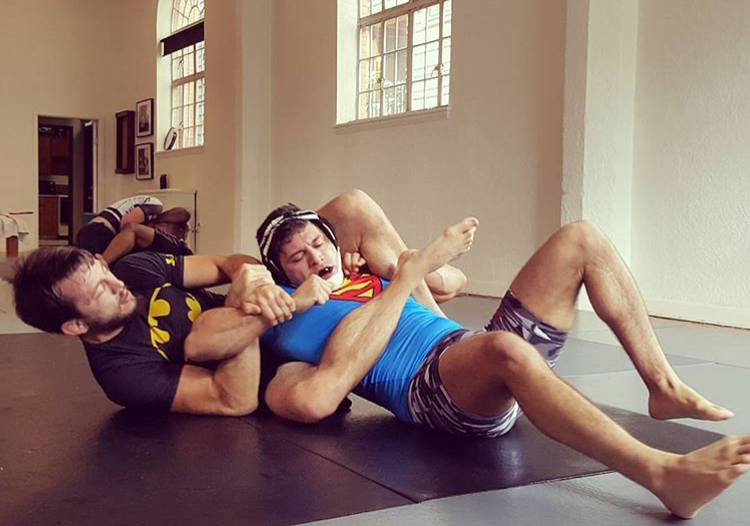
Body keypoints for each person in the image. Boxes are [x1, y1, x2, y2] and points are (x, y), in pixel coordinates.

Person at [212, 202, 744, 520]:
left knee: (581, 238)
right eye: (297, 256)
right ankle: (661, 474)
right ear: (282, 273)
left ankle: (662, 385)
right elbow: (311, 396)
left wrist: (408, 271)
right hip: (432, 389)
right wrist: (248, 274)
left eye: (319, 243)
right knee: (504, 349)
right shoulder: (289, 319)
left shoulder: (365, 273)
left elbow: (357, 211)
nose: (315, 257)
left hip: (470, 345)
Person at [8, 191, 461, 414]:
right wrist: (257, 308)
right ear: (75, 326)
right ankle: (410, 276)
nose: (117, 283)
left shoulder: (133, 272)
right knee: (205, 338)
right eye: (100, 289)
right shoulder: (125, 374)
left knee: (352, 207)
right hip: (266, 348)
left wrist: (254, 279)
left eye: (105, 271)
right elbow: (234, 399)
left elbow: (229, 263)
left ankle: (434, 310)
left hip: (273, 301)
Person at [75, 194, 192, 264]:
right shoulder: (156, 206)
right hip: (99, 232)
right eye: (165, 234)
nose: (160, 235)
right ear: (166, 224)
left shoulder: (150, 219)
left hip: (93, 232)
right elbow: (126, 224)